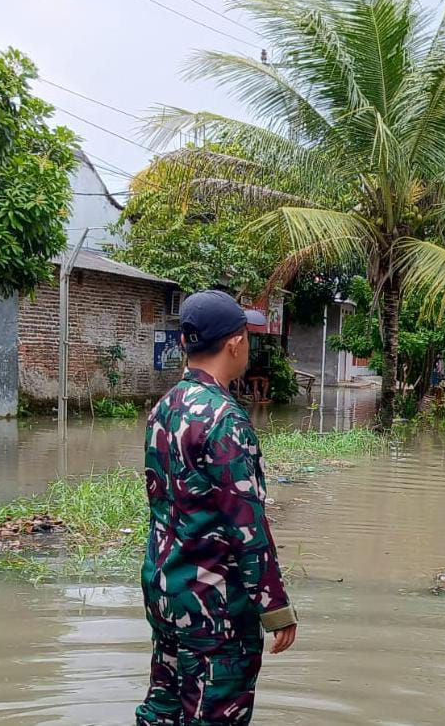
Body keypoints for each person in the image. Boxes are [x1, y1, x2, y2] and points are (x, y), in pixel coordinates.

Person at [136, 290, 298, 726]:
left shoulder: (164, 408)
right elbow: (247, 528)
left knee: (163, 708)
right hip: (215, 606)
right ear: (235, 343)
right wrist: (275, 607)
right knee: (215, 713)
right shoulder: (224, 419)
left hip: (166, 590)